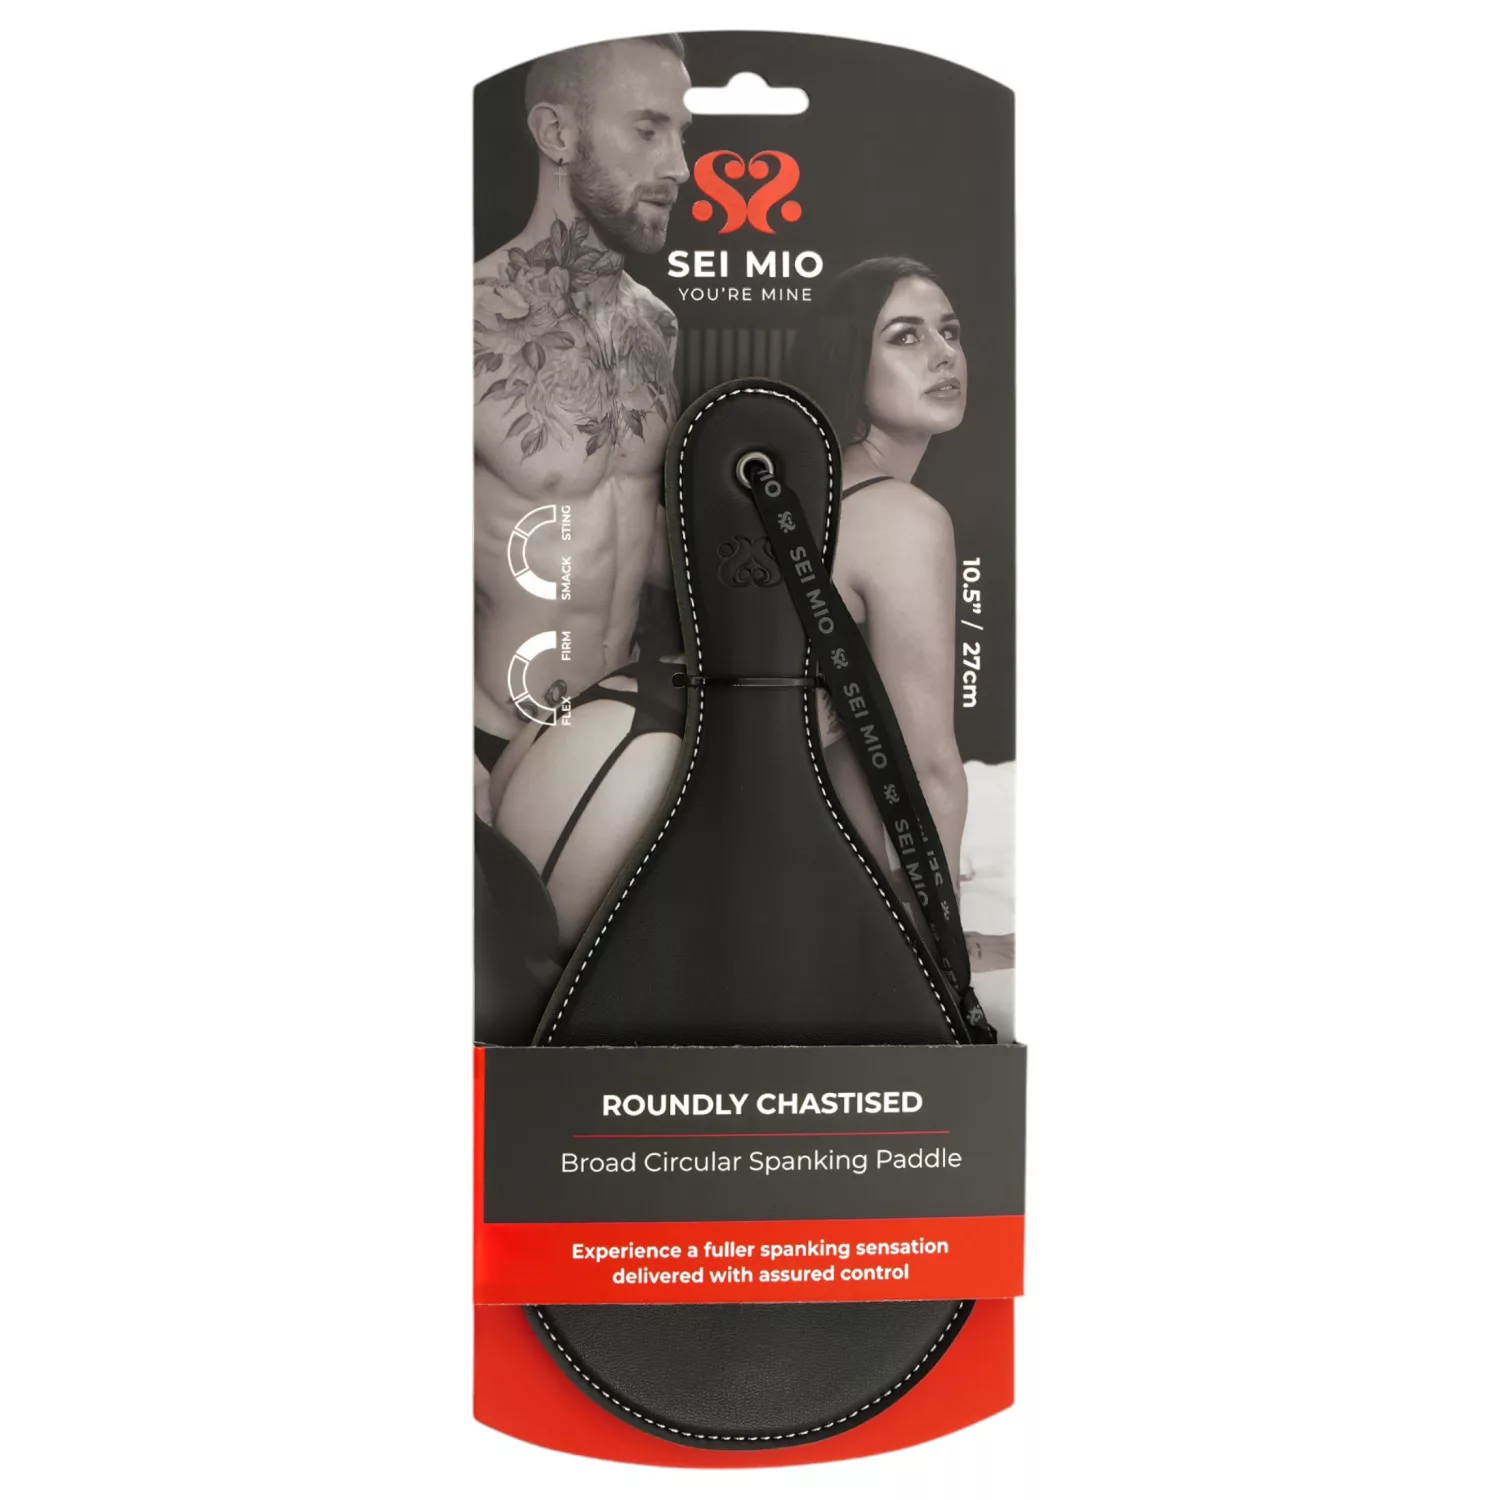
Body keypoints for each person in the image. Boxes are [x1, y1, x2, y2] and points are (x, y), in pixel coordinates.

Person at [473, 34, 691, 1037]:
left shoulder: (656, 326)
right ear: (557, 133)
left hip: (615, 750)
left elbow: (637, 537)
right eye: (649, 129)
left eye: (682, 133)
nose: (679, 165)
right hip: (484, 744)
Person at [785, 256, 970, 882]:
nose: (944, 354)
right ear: (848, 359)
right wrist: (942, 933)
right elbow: (928, 771)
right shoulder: (903, 518)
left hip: (607, 752)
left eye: (950, 331)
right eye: (905, 336)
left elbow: (839, 747)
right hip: (638, 789)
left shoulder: (814, 483)